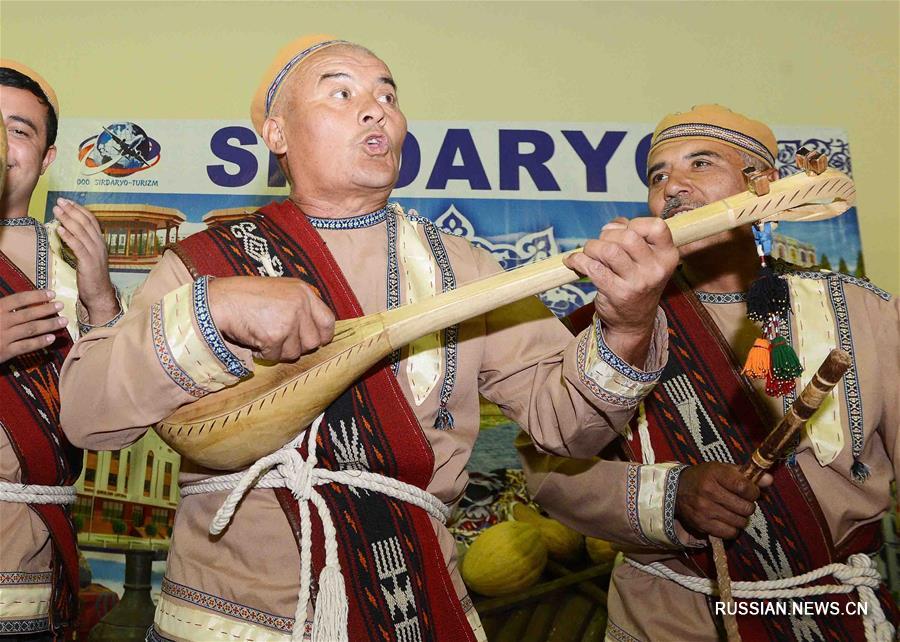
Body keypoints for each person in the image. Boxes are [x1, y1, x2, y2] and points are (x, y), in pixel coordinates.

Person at [58, 36, 681, 642]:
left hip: (409, 603)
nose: (374, 106)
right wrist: (215, 306)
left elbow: (568, 424)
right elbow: (87, 414)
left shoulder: (464, 271)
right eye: (341, 93)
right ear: (276, 134)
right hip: (232, 612)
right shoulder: (204, 263)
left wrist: (626, 327)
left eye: (388, 94)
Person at [519, 104, 899, 642]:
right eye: (658, 175)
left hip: (838, 609)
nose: (672, 187)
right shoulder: (601, 326)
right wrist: (671, 496)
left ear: (763, 185)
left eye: (700, 164)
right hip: (669, 615)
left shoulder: (867, 312)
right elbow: (547, 470)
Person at [0, 61, 121, 640]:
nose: (0, 143)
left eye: (19, 130)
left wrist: (100, 296)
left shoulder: (74, 262)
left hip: (34, 558)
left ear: (47, 159)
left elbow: (114, 419)